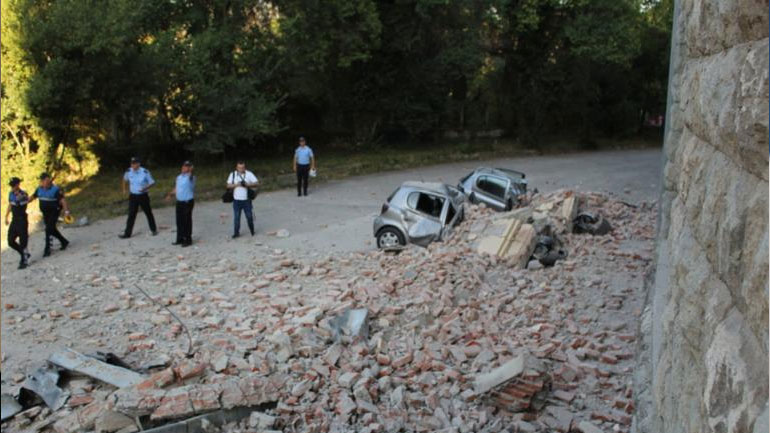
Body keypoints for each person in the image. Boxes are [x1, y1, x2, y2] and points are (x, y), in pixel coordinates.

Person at [30, 172, 70, 257]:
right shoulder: (39, 189)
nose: (47, 183)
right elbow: (32, 197)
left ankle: (47, 249)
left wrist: (66, 212)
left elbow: (63, 201)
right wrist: (23, 201)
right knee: (51, 229)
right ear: (42, 181)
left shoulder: (55, 190)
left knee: (48, 229)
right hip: (45, 213)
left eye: (48, 181)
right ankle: (64, 241)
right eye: (44, 181)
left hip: (54, 211)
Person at [119, 157, 158, 238]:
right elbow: (124, 179)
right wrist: (124, 189)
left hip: (143, 195)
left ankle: (153, 230)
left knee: (148, 213)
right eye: (132, 163)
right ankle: (127, 233)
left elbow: (152, 182)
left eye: (134, 163)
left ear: (138, 164)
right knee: (131, 214)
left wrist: (145, 188)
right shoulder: (129, 171)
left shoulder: (144, 172)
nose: (133, 165)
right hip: (133, 196)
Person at [165, 161, 195, 247]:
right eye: (184, 166)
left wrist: (190, 171)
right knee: (179, 221)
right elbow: (176, 188)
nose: (185, 168)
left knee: (187, 221)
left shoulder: (191, 177)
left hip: (187, 202)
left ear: (190, 168)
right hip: (179, 202)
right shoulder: (178, 177)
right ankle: (180, 238)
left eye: (187, 167)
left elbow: (191, 177)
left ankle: (188, 239)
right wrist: (170, 195)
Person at [226, 161, 258, 238]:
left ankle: (252, 230)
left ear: (245, 167)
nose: (241, 169)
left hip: (246, 200)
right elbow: (228, 186)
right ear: (237, 168)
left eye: (243, 167)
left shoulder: (249, 174)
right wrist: (237, 185)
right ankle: (236, 233)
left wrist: (247, 184)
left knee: (249, 216)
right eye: (239, 168)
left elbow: (256, 183)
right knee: (236, 218)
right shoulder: (232, 174)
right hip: (236, 200)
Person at [4, 177, 31, 268]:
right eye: (11, 186)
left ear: (17, 185)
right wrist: (6, 216)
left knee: (23, 240)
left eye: (14, 185)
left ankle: (24, 260)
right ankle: (24, 254)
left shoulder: (23, 194)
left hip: (22, 219)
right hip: (14, 219)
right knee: (10, 241)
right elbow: (11, 204)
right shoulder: (11, 194)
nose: (12, 187)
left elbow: (24, 200)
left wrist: (19, 196)